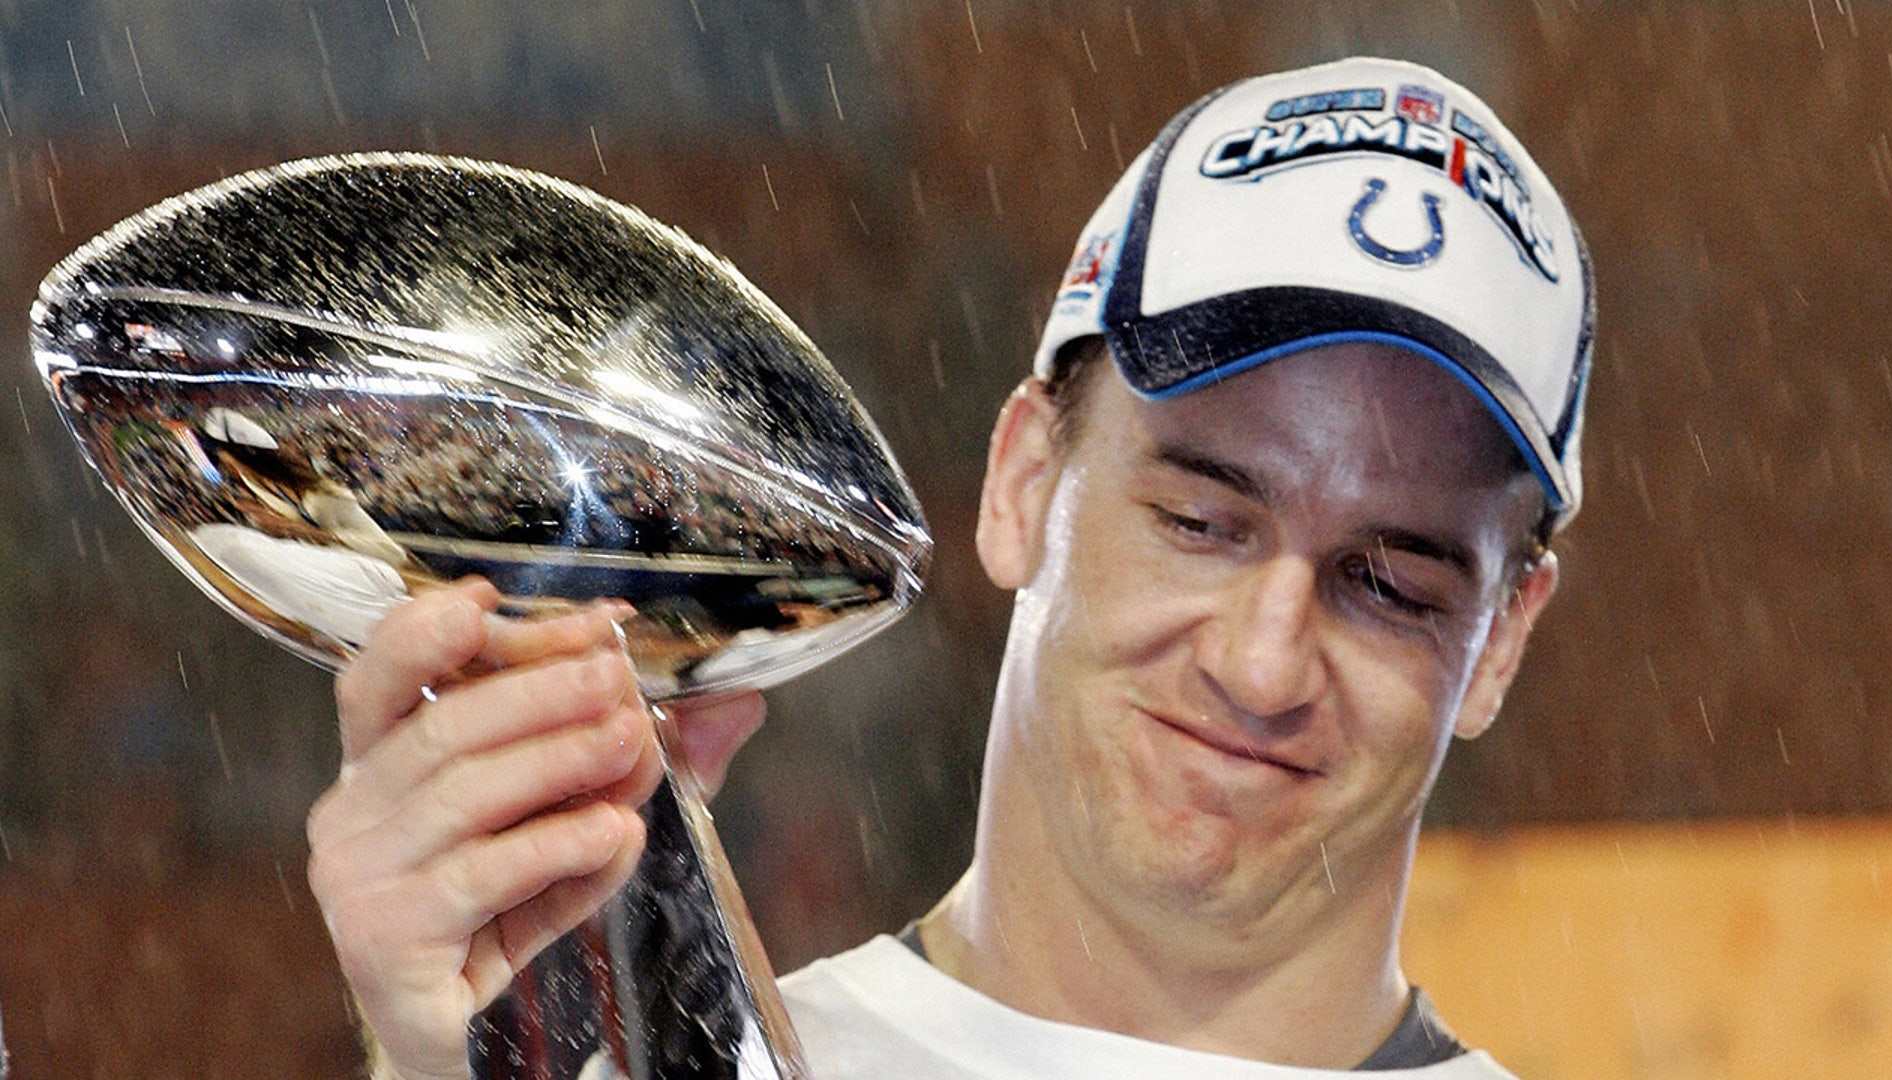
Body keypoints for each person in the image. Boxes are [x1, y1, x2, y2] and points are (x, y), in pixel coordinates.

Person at [306, 56, 1592, 1079]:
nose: (1262, 665)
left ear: (1503, 641)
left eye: (1391, 586)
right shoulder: (651, 1056)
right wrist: (455, 1060)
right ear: (1024, 479)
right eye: (1202, 521)